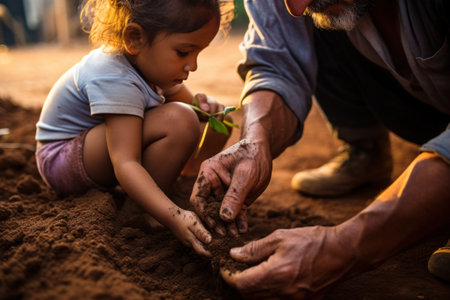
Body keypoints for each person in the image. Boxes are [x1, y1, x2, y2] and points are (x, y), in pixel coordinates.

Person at [189, 0, 450, 297]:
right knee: (325, 13)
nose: (296, 9)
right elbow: (276, 61)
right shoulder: (298, 4)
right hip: (416, 107)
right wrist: (256, 140)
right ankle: (364, 148)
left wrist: (346, 246)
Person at [35, 0, 234, 257]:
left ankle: (187, 183)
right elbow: (125, 161)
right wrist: (173, 217)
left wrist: (208, 110)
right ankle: (140, 211)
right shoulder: (113, 75)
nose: (193, 66)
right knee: (180, 121)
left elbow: (195, 110)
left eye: (199, 53)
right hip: (62, 159)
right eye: (184, 52)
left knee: (219, 119)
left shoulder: (152, 65)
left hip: (93, 150)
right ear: (135, 38)